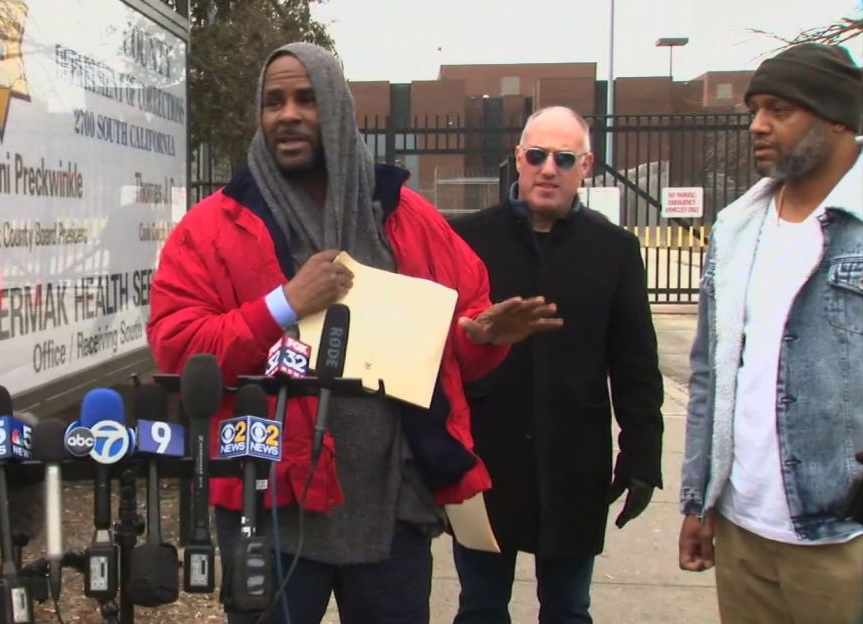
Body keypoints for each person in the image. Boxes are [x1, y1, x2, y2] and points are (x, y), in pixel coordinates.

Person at [146, 42, 561, 624]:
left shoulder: (406, 216)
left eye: (306, 99)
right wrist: (283, 304)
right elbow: (178, 345)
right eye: (273, 102)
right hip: (267, 508)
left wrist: (485, 337)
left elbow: (458, 338)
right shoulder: (213, 227)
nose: (286, 114)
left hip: (390, 513)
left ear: (337, 110)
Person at [449, 106, 664, 624]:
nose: (549, 169)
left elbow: (636, 364)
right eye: (538, 155)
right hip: (487, 458)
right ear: (519, 160)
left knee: (569, 608)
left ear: (585, 166)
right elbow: (438, 348)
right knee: (480, 606)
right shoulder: (470, 239)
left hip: (574, 462)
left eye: (564, 158)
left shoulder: (614, 249)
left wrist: (641, 457)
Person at [678, 43, 863, 624]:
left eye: (779, 109)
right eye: (755, 108)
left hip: (842, 538)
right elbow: (711, 371)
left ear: (837, 117)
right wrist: (699, 499)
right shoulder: (738, 227)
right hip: (743, 527)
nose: (757, 124)